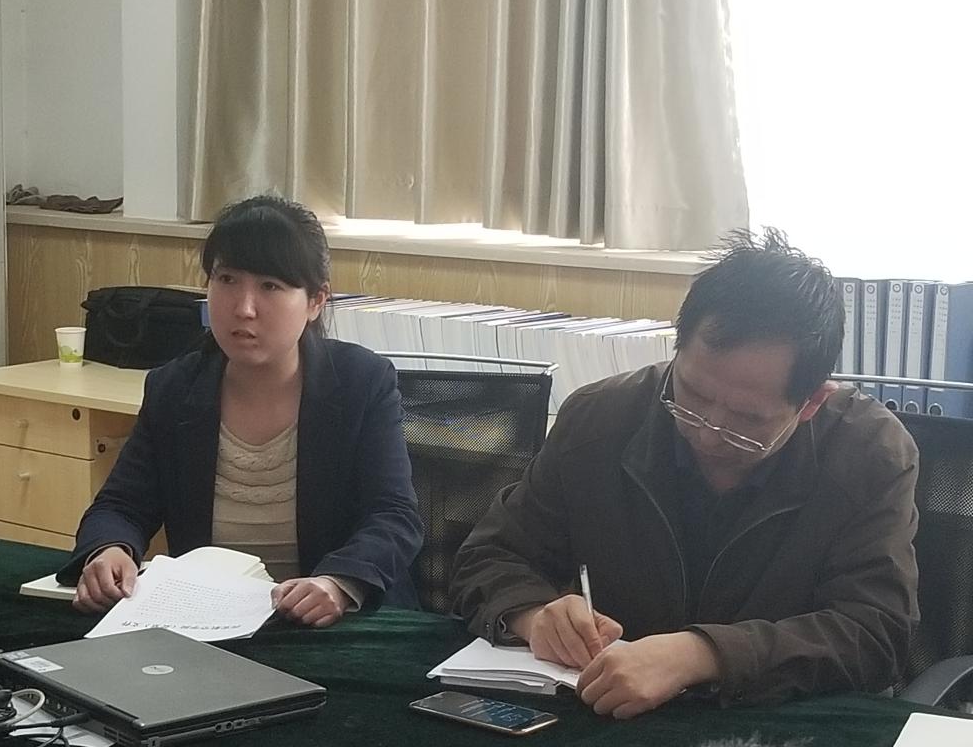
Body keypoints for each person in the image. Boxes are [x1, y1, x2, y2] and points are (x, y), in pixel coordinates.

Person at [450, 230, 918, 718]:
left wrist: (702, 655)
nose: (708, 436)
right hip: (613, 714)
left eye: (746, 420)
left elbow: (876, 632)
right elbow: (489, 555)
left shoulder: (869, 453)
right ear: (677, 351)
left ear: (812, 402)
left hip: (784, 719)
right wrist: (532, 615)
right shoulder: (599, 419)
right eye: (691, 397)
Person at [57, 195, 423, 626]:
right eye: (227, 279)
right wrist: (110, 549)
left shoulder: (363, 382)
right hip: (208, 620)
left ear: (316, 301)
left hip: (331, 624)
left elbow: (393, 516)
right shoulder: (174, 387)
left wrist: (338, 583)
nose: (243, 308)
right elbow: (120, 505)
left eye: (270, 286)